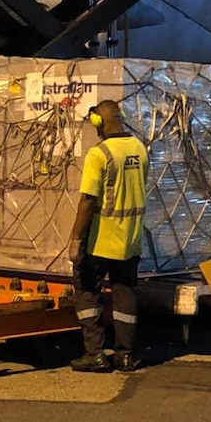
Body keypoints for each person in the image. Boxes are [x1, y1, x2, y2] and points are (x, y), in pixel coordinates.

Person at [68, 100, 149, 373]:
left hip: (102, 239)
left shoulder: (99, 154)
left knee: (86, 290)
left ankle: (95, 353)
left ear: (98, 123)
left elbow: (88, 200)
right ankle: (125, 355)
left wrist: (76, 237)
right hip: (131, 238)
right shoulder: (139, 148)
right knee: (125, 293)